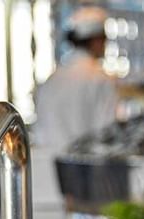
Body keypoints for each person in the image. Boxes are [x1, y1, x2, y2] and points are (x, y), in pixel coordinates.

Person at [35, 6, 119, 152]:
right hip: (85, 169)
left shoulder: (51, 80)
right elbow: (106, 133)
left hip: (48, 169)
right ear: (97, 41)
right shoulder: (101, 80)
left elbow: (41, 133)